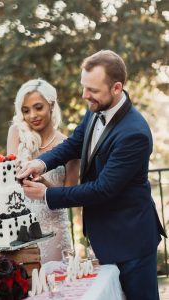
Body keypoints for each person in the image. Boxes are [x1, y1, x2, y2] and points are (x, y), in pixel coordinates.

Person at [17, 50, 166, 300]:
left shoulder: (134, 133)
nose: (85, 95)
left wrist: (47, 194)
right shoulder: (95, 108)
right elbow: (74, 144)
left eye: (92, 90)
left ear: (117, 87)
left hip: (131, 241)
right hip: (104, 235)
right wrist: (40, 164)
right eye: (84, 87)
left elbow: (102, 189)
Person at [7, 78, 80, 263]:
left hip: (54, 231)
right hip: (20, 230)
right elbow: (9, 180)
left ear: (51, 105)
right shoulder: (16, 132)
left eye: (38, 107)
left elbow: (69, 197)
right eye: (26, 111)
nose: (33, 115)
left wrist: (45, 185)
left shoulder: (69, 145)